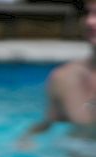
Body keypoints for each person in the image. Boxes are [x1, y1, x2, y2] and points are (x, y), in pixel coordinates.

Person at [18, 0, 96, 149]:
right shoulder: (62, 78)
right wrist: (27, 138)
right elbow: (50, 123)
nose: (90, 21)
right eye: (87, 13)